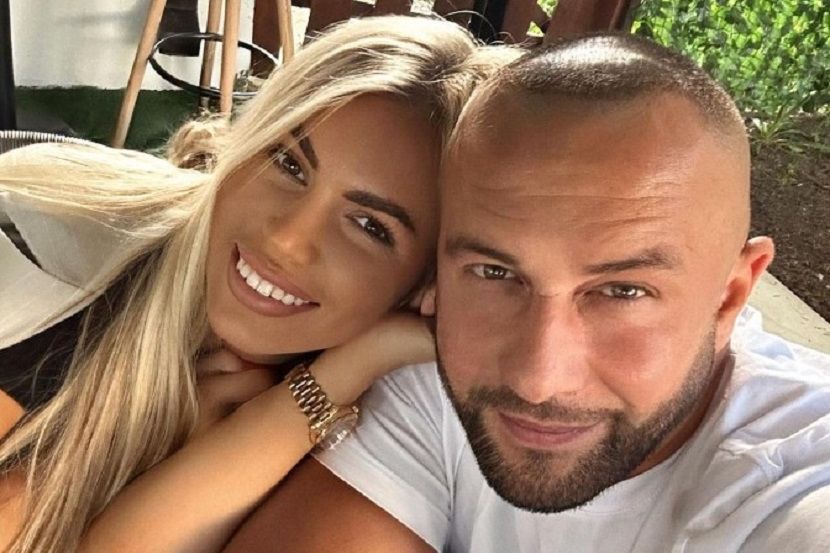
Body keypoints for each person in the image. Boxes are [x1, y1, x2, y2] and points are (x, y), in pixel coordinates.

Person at [223, 33, 830, 553]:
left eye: (622, 291)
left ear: (731, 295)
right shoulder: (433, 379)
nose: (537, 380)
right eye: (496, 274)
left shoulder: (797, 480)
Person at [0, 16, 517, 553]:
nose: (288, 241)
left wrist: (340, 375)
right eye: (289, 163)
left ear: (426, 285)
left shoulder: (368, 392)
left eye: (369, 226)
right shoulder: (47, 272)